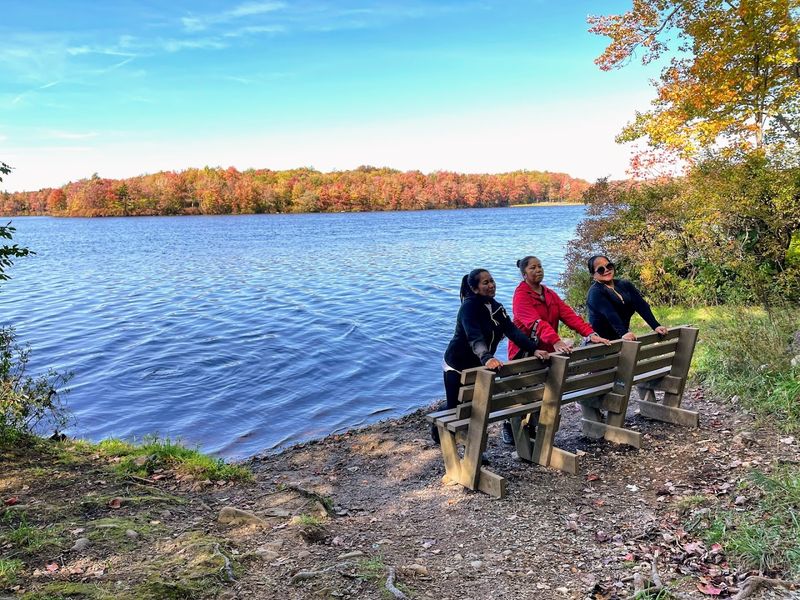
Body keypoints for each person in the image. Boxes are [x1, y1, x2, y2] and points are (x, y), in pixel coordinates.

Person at [433, 268, 548, 445]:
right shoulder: (468, 309)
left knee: (474, 405)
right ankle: (439, 430)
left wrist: (533, 349)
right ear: (475, 288)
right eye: (485, 283)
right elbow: (474, 337)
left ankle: (476, 449)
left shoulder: (496, 308)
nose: (491, 285)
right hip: (457, 365)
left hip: (479, 364)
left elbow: (512, 331)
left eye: (492, 281)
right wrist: (487, 357)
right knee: (455, 408)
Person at [503, 255, 609, 444]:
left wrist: (590, 334)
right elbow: (536, 323)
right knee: (525, 394)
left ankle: (536, 432)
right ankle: (511, 425)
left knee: (544, 392)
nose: (538, 270)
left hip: (547, 352)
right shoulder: (521, 296)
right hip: (525, 354)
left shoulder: (549, 294)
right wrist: (556, 341)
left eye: (540, 266)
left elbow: (569, 315)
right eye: (533, 268)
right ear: (524, 274)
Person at [585, 255, 668, 341]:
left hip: (621, 339)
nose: (606, 270)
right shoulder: (595, 292)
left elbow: (641, 306)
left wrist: (655, 325)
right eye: (600, 269)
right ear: (593, 275)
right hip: (602, 343)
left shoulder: (624, 285)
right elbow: (610, 314)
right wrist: (624, 333)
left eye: (609, 266)